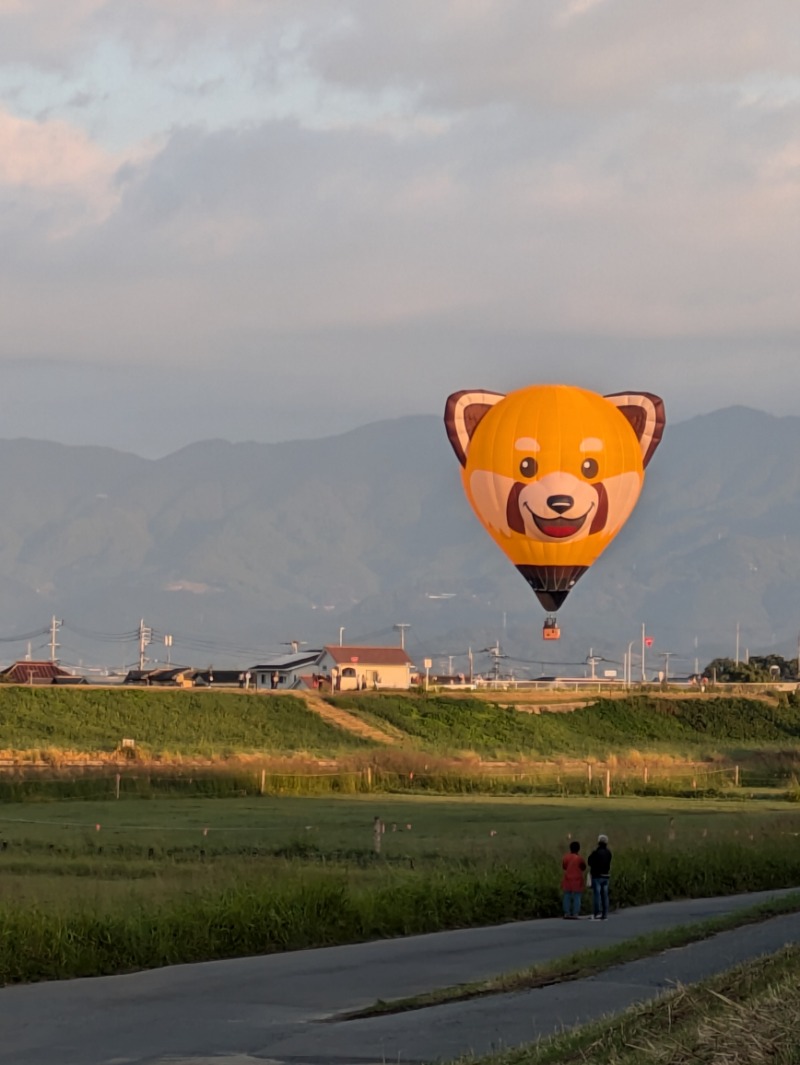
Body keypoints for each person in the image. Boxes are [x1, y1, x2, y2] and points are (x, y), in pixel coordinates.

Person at [587, 833, 612, 919]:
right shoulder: (608, 852)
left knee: (597, 895)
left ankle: (597, 912)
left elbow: (589, 861)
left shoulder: (596, 852)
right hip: (606, 875)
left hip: (597, 875)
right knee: (605, 895)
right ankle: (605, 913)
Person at [560, 840, 586, 919]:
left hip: (568, 878)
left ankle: (567, 913)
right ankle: (575, 913)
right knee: (577, 896)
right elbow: (583, 867)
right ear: (578, 849)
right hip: (577, 879)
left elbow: (564, 866)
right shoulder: (579, 858)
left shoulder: (566, 857)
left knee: (567, 896)